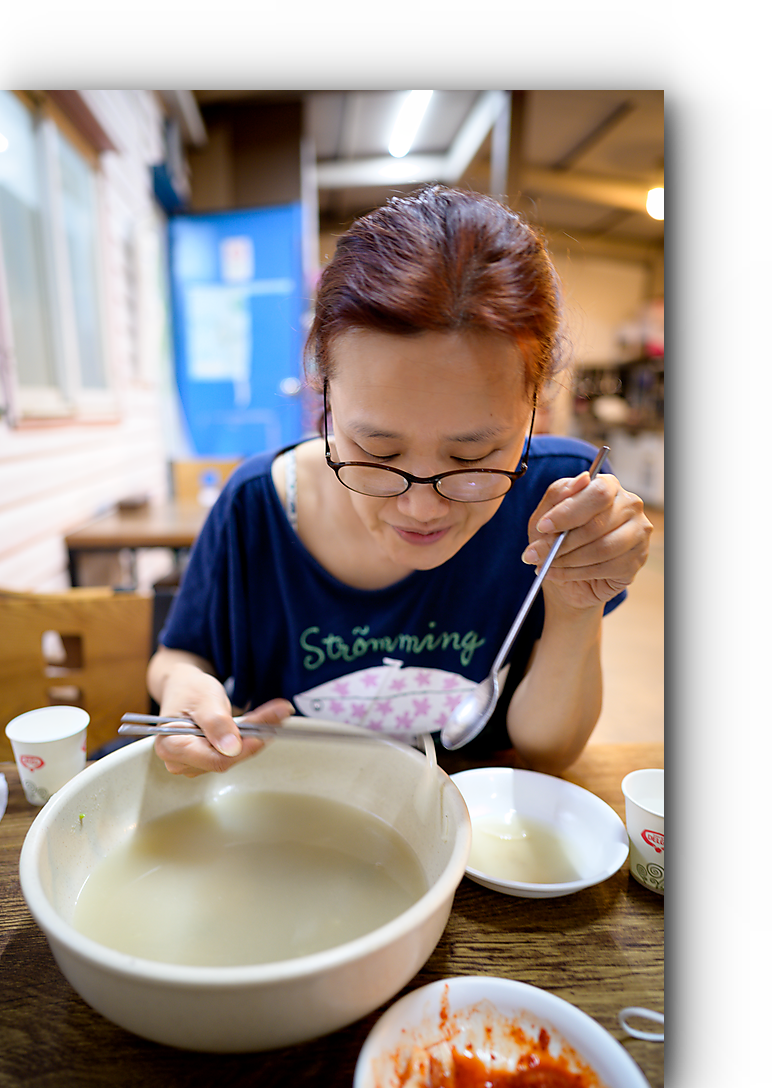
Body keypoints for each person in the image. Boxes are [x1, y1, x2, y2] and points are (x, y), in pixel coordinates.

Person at [148, 186, 652, 777]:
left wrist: (574, 603)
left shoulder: (560, 503)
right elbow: (180, 656)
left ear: (533, 408)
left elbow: (547, 754)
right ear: (324, 396)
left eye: (472, 457)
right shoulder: (256, 505)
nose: (420, 508)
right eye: (377, 451)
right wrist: (182, 686)